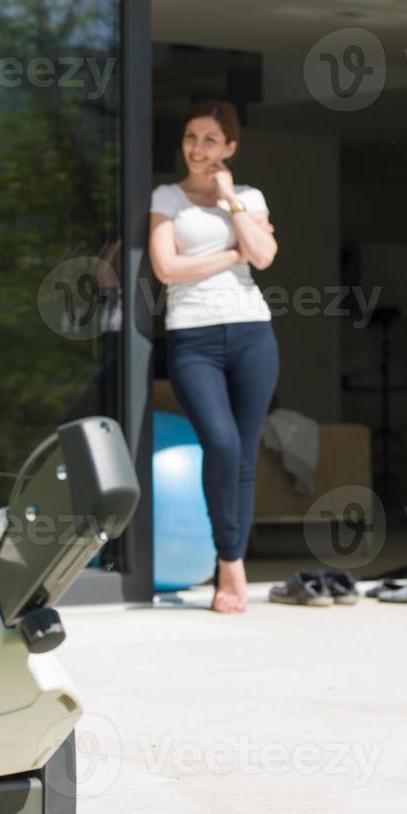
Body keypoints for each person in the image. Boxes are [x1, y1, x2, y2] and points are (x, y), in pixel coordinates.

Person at [148, 99, 279, 614]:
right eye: (189, 137)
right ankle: (230, 560)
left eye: (209, 140)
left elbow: (265, 257)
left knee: (244, 457)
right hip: (192, 336)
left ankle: (232, 563)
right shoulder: (167, 197)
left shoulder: (248, 195)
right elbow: (166, 269)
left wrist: (230, 200)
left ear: (230, 148)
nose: (197, 148)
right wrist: (232, 254)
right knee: (221, 445)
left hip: (252, 334)